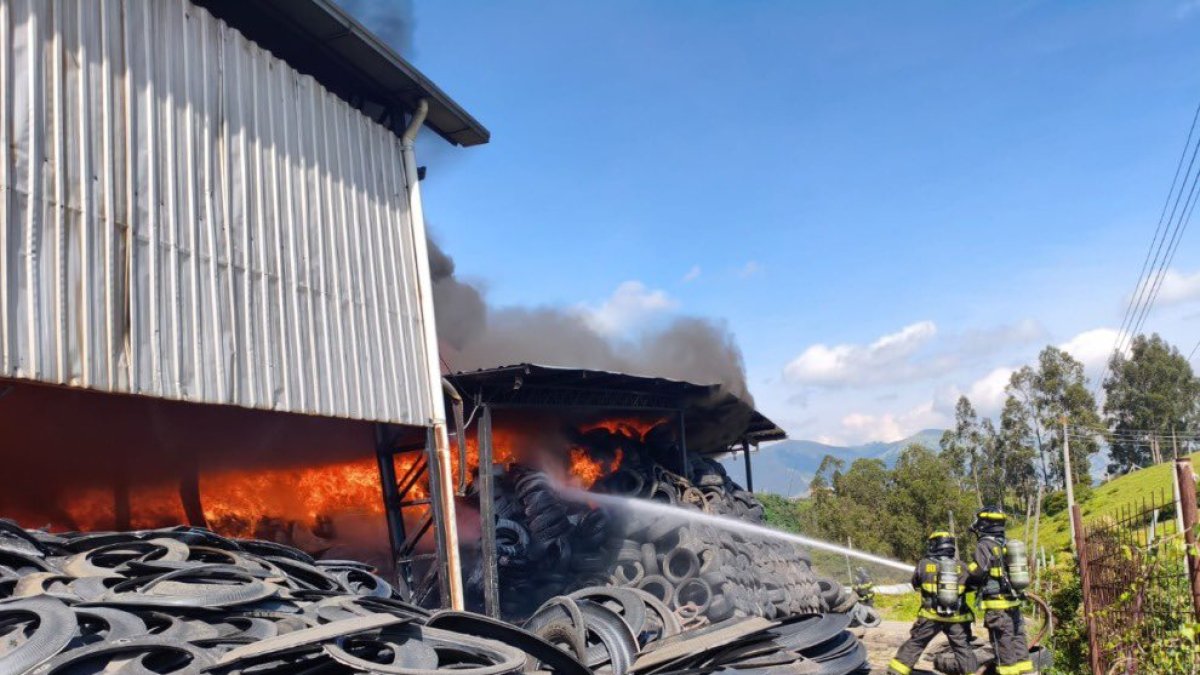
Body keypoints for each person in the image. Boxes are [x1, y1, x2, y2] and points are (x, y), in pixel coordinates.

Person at [886, 532, 977, 675]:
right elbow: (972, 586)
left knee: (916, 643)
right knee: (963, 648)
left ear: (934, 544)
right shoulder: (962, 566)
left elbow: (915, 584)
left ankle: (896, 672)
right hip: (957, 618)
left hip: (930, 616)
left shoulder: (924, 564)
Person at [967, 506, 1033, 675]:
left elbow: (978, 572)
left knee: (1003, 648)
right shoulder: (1007, 544)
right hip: (1013, 605)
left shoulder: (985, 545)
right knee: (1019, 645)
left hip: (998, 609)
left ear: (985, 523)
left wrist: (964, 577)